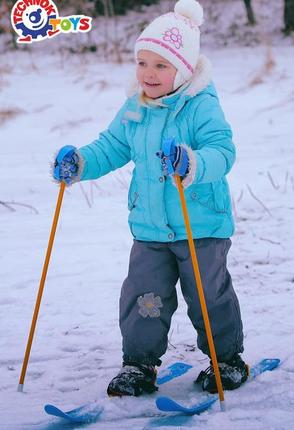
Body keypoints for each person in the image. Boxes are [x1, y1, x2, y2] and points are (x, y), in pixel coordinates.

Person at [53, 0, 248, 397]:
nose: (149, 74)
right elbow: (111, 146)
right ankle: (138, 364)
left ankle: (226, 358)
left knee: (208, 296)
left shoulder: (201, 106)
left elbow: (223, 151)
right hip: (149, 227)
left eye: (161, 65)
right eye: (143, 63)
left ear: (185, 68)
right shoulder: (135, 108)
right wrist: (81, 162)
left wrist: (194, 162)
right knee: (144, 296)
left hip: (202, 226)